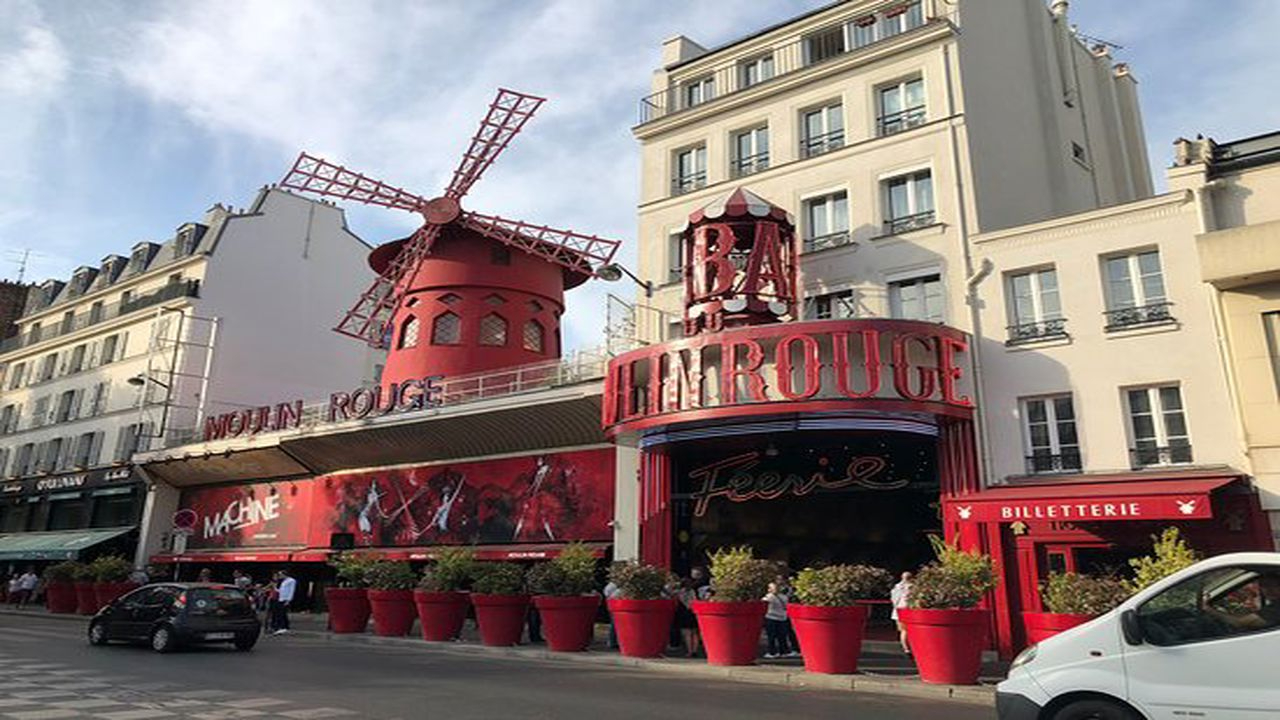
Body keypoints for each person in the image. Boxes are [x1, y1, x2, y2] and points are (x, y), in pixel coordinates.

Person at [1201, 571, 1280, 632]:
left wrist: (1208, 609)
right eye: (1264, 585)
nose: (1269, 589)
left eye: (1275, 585)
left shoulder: (1276, 608)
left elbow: (1240, 623)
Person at [675, 576, 704, 658]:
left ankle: (689, 651)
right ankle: (695, 650)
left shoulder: (680, 592)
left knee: (687, 633)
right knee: (694, 632)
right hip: (693, 612)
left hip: (684, 613)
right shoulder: (694, 591)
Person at [762, 581, 792, 659]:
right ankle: (783, 651)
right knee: (782, 636)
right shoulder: (784, 597)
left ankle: (772, 652)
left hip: (771, 617)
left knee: (771, 636)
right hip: (782, 618)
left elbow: (763, 603)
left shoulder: (768, 597)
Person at [890, 570, 914, 654]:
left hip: (898, 610)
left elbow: (893, 599)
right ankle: (909, 647)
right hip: (909, 610)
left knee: (903, 630)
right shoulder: (913, 587)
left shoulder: (896, 587)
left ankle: (906, 648)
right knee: (909, 630)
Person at [272, 570, 296, 635]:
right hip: (281, 598)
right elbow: (281, 590)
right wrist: (275, 588)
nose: (280, 576)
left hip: (285, 598)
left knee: (282, 613)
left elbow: (291, 590)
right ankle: (284, 626)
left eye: (280, 575)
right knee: (280, 613)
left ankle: (283, 627)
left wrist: (288, 600)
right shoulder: (283, 581)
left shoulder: (291, 581)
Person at [603, 578, 621, 650]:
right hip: (616, 604)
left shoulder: (612, 585)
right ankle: (612, 641)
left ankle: (612, 641)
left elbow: (607, 592)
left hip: (613, 603)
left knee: (614, 623)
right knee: (615, 623)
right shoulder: (615, 586)